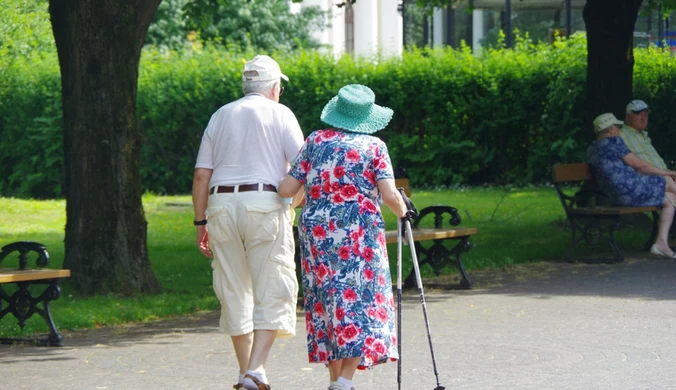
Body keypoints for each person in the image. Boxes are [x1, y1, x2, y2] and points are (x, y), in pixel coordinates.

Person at [278, 84, 408, 390]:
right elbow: (389, 195)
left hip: (317, 234)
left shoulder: (315, 141)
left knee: (328, 300)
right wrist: (404, 211)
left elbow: (286, 189)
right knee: (359, 300)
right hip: (359, 235)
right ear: (367, 117)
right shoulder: (374, 147)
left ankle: (336, 379)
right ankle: (345, 381)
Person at [191, 55, 304, 390]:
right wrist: (291, 204)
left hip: (221, 206)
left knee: (233, 290)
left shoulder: (220, 115)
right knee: (274, 285)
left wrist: (201, 223)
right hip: (265, 204)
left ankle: (247, 374)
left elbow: (201, 175)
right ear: (273, 87)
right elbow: (302, 170)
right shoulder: (280, 113)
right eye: (279, 86)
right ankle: (256, 370)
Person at [587, 113, 676, 258]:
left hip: (614, 196)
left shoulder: (592, 149)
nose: (619, 130)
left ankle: (661, 243)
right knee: (666, 179)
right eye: (617, 127)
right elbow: (639, 165)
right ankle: (661, 244)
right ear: (610, 130)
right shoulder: (614, 142)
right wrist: (668, 172)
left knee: (670, 198)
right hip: (629, 191)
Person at [619, 99, 670, 171]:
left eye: (645, 114)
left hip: (666, 177)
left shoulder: (645, 137)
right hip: (648, 180)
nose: (643, 118)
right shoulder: (620, 135)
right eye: (638, 114)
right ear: (627, 117)